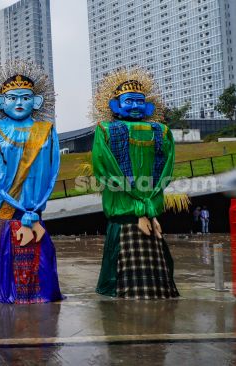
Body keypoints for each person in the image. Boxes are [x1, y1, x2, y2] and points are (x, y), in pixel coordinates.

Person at [0, 59, 63, 304]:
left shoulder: (46, 130)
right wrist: (21, 208)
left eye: (25, 97)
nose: (19, 103)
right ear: (1, 102)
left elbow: (52, 173)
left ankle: (39, 293)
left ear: (36, 102)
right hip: (9, 211)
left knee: (41, 258)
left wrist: (35, 209)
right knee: (8, 255)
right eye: (13, 97)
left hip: (36, 211)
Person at [92, 68, 179, 299]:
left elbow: (165, 169)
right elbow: (105, 169)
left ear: (148, 107)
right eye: (128, 101)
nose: (135, 106)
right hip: (125, 211)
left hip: (150, 211)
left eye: (140, 101)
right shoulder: (106, 130)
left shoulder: (162, 131)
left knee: (155, 262)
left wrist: (149, 205)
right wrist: (139, 204)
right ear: (115, 105)